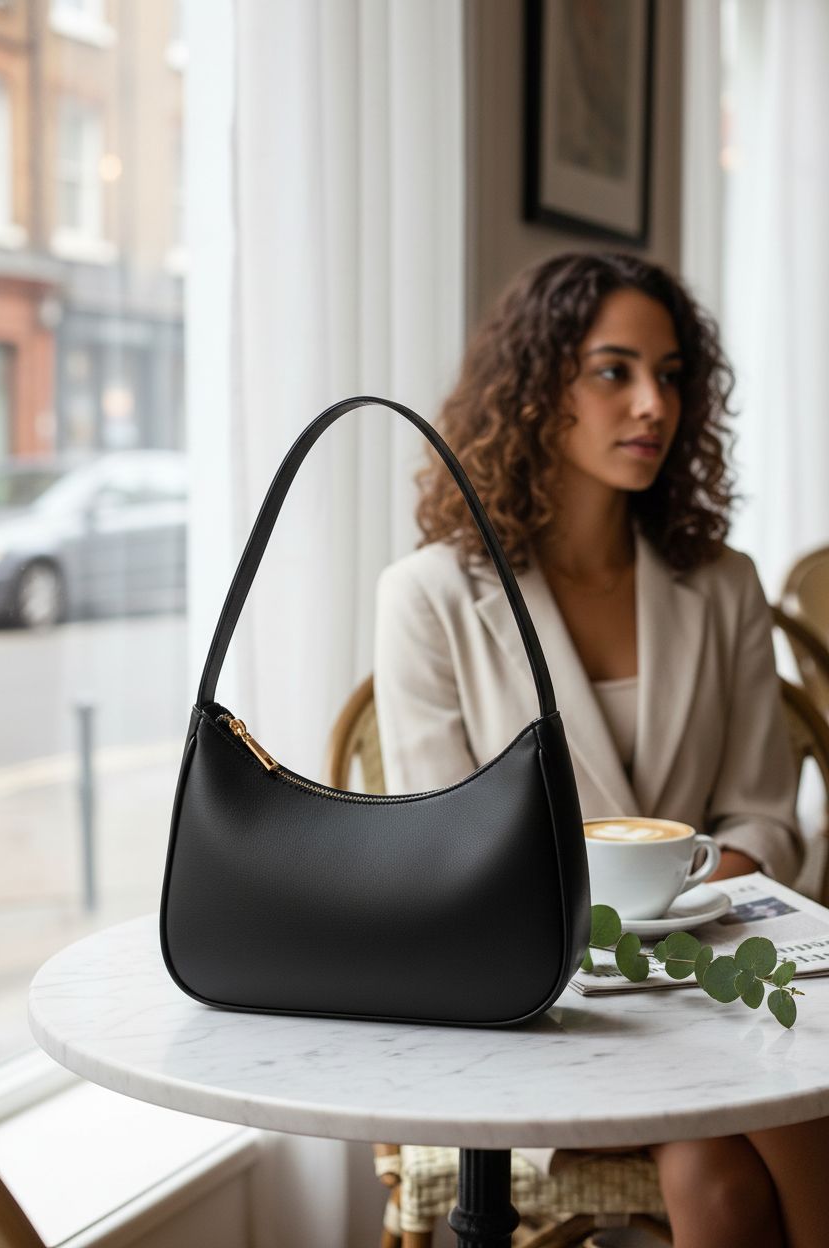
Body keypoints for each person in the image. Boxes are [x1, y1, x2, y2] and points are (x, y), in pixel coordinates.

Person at [373, 251, 827, 1248]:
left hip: (717, 971)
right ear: (536, 390)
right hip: (545, 996)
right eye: (613, 371)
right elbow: (442, 863)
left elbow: (763, 815)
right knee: (733, 1163)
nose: (651, 405)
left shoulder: (721, 585)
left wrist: (695, 888)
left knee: (759, 1139)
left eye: (670, 375)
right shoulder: (432, 597)